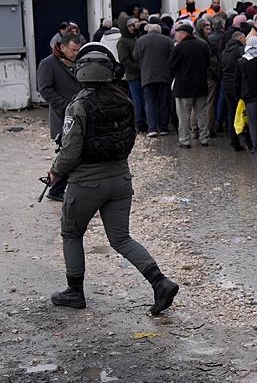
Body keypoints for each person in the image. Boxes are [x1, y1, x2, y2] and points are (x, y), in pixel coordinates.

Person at [47, 44, 179, 314]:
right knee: (121, 238)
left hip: (86, 182)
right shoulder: (123, 99)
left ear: (81, 72)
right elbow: (130, 137)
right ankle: (160, 282)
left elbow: (71, 151)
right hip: (120, 178)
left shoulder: (78, 105)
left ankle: (75, 292)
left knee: (71, 234)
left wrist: (55, 171)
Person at [36, 33, 82, 202]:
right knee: (69, 153)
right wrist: (65, 106)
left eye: (78, 50)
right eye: (73, 50)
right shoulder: (48, 64)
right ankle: (56, 189)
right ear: (62, 47)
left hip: (80, 115)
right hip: (61, 117)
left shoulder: (78, 61)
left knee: (75, 152)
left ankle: (65, 187)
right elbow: (45, 89)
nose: (76, 53)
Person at [168, 24, 211, 148]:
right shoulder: (202, 45)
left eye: (177, 33)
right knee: (201, 113)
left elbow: (171, 65)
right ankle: (204, 138)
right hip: (200, 85)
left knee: (183, 115)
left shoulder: (180, 47)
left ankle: (185, 140)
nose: (176, 35)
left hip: (183, 86)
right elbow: (208, 63)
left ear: (184, 34)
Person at [132, 23, 173, 137]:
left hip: (147, 76)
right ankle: (164, 127)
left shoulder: (140, 40)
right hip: (164, 76)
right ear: (159, 31)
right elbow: (173, 56)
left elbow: (135, 56)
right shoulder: (167, 40)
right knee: (164, 102)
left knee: (150, 102)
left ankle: (152, 128)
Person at [116, 17, 147, 133]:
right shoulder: (122, 41)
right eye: (129, 26)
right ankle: (139, 123)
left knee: (142, 99)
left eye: (132, 26)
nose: (132, 28)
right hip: (133, 75)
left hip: (141, 74)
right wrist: (138, 67)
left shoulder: (134, 38)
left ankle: (143, 121)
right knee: (137, 100)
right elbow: (124, 60)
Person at [221, 31, 247, 151]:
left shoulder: (224, 52)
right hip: (237, 85)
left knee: (231, 113)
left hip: (226, 85)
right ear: (240, 38)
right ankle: (247, 139)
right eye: (244, 38)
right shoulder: (240, 50)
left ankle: (234, 140)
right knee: (244, 112)